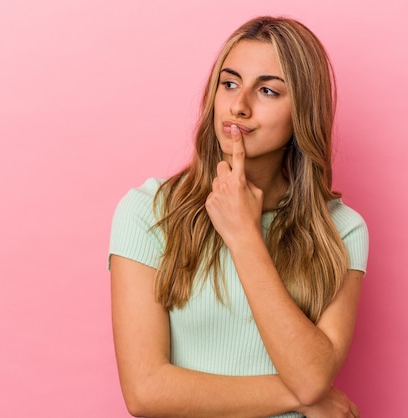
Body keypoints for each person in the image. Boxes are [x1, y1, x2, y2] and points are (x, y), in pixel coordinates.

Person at [108, 16, 368, 418]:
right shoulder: (148, 212)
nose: (239, 105)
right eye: (229, 83)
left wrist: (244, 235)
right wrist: (302, 396)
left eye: (267, 90)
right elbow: (145, 392)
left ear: (304, 110)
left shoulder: (343, 230)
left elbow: (312, 375)